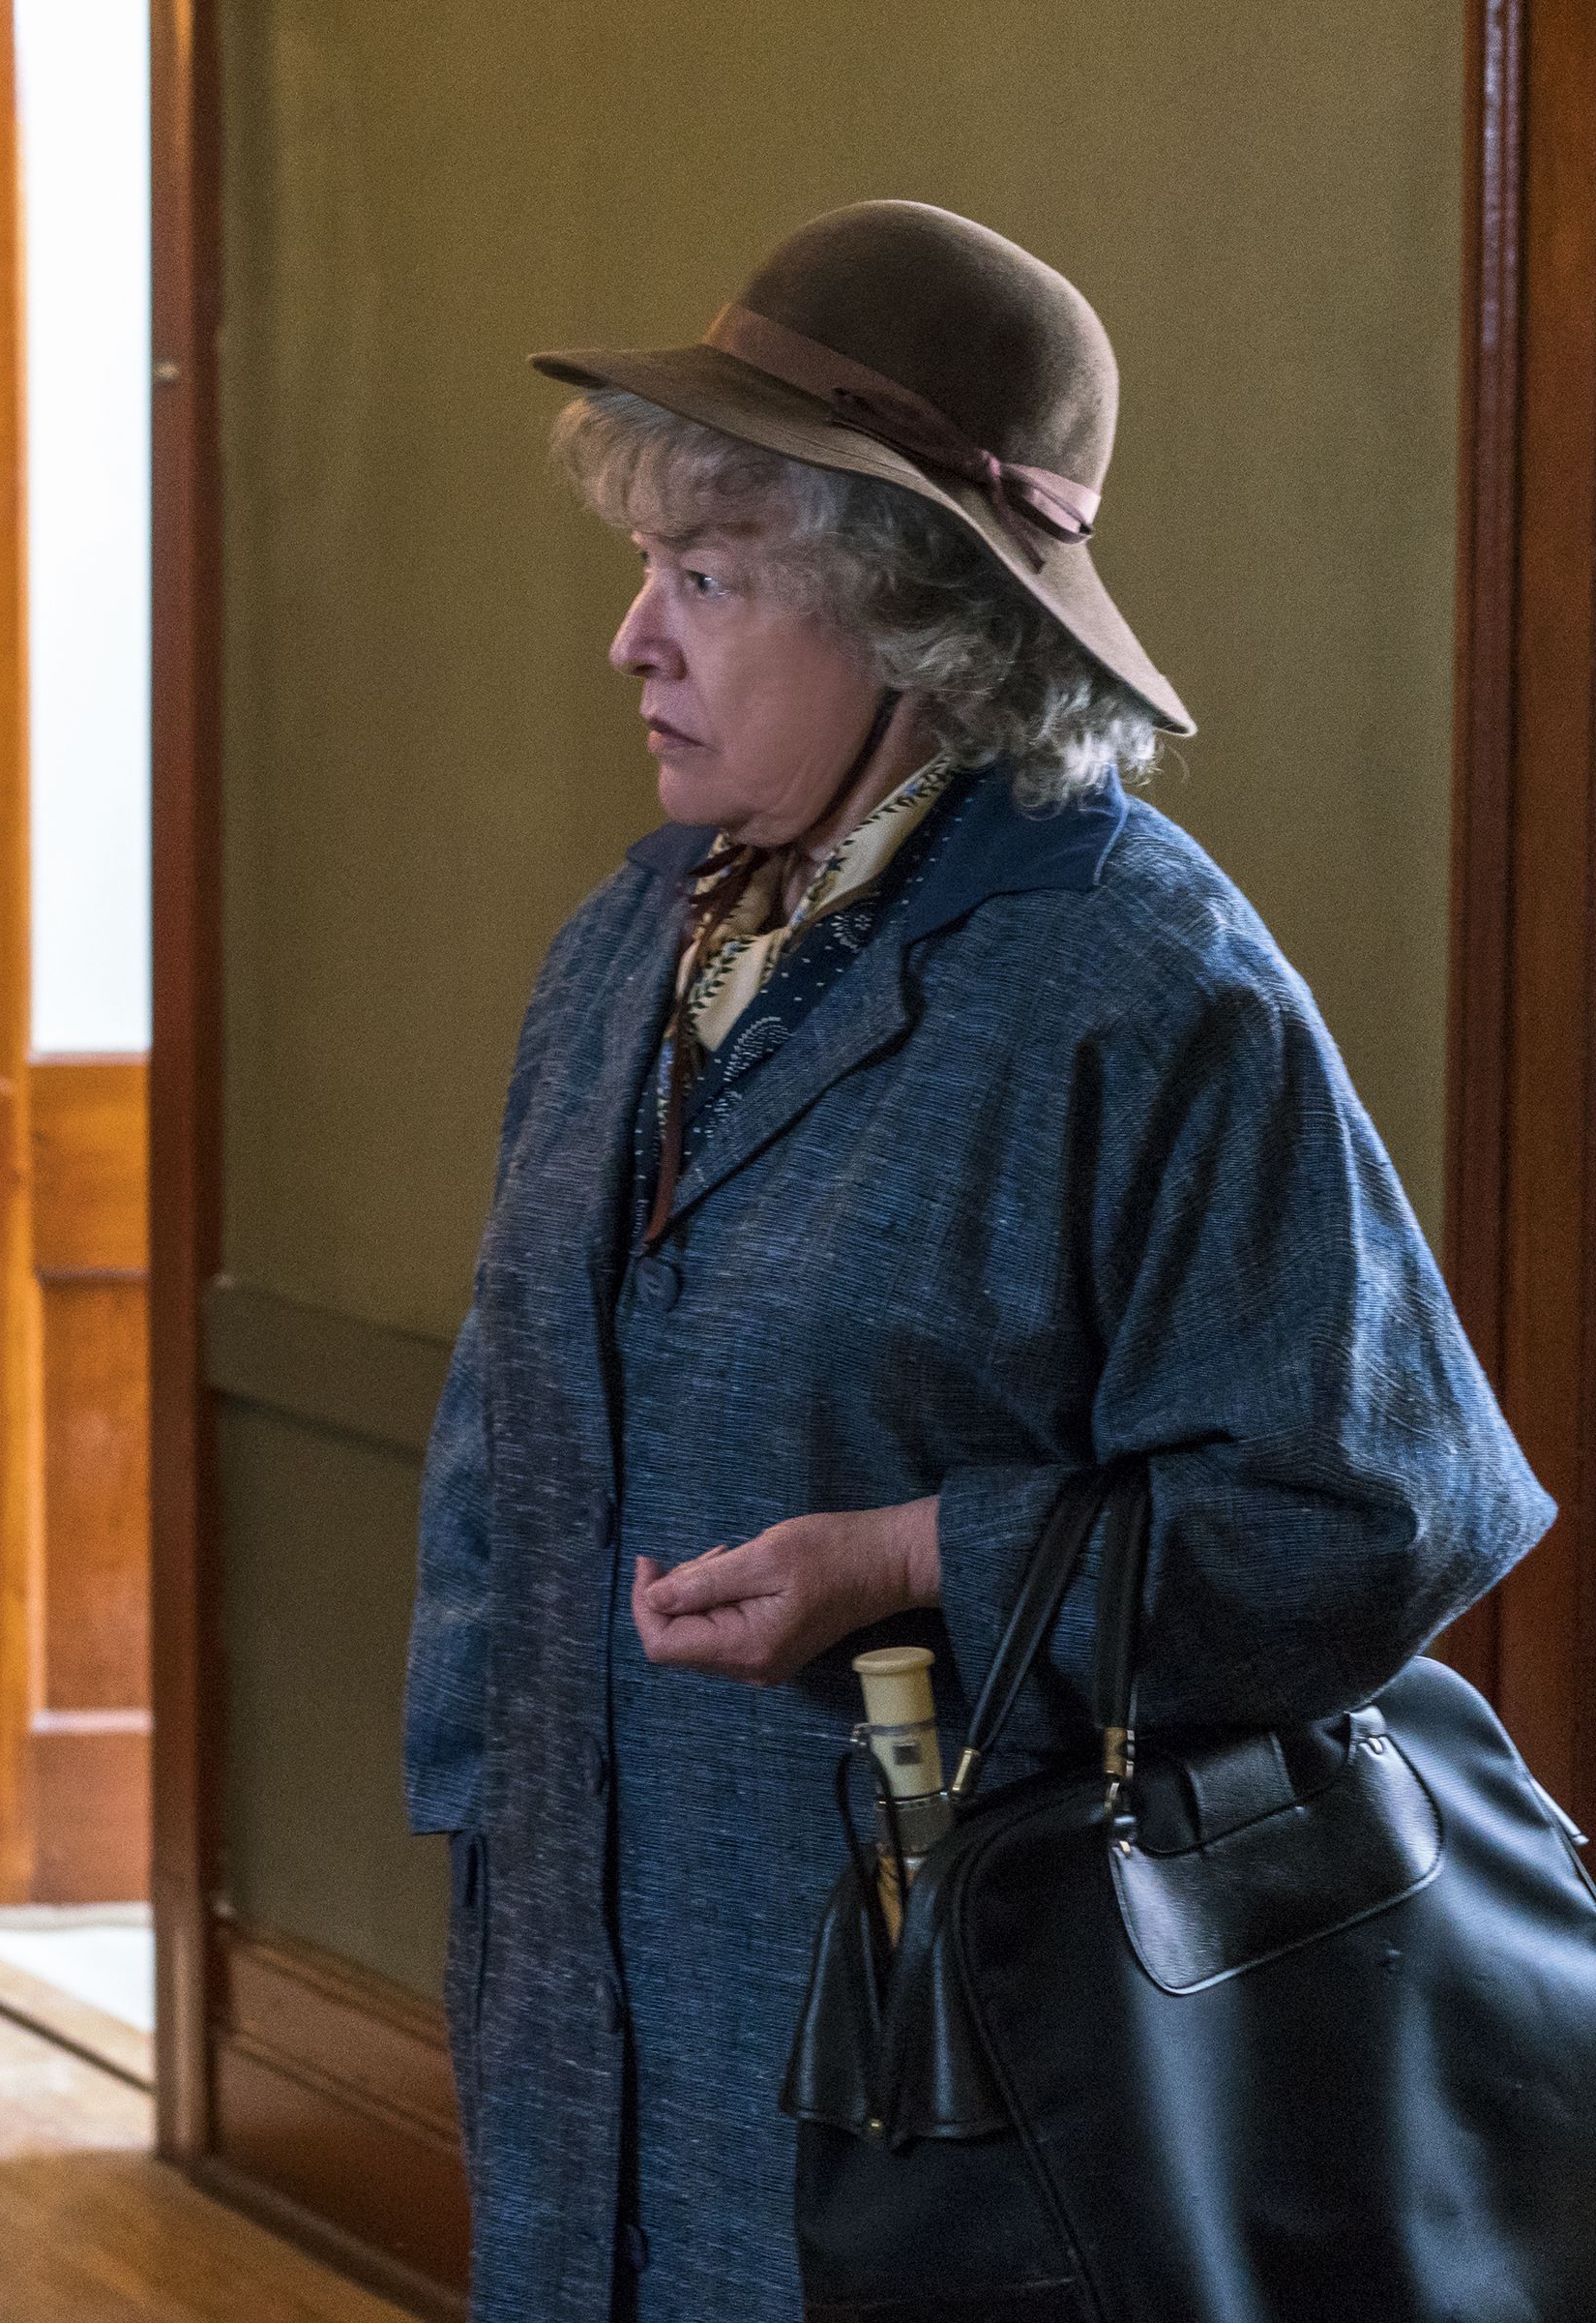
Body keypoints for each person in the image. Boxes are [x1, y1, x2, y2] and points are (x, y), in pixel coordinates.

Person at [400, 200, 1552, 2323]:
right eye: (648, 570)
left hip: (967, 2064)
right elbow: (510, 1448)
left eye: (709, 580)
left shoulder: (1138, 973)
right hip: (583, 2025)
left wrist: (930, 1555)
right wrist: (494, 1844)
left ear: (912, 618)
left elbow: (1380, 1516)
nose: (633, 639)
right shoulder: (629, 946)